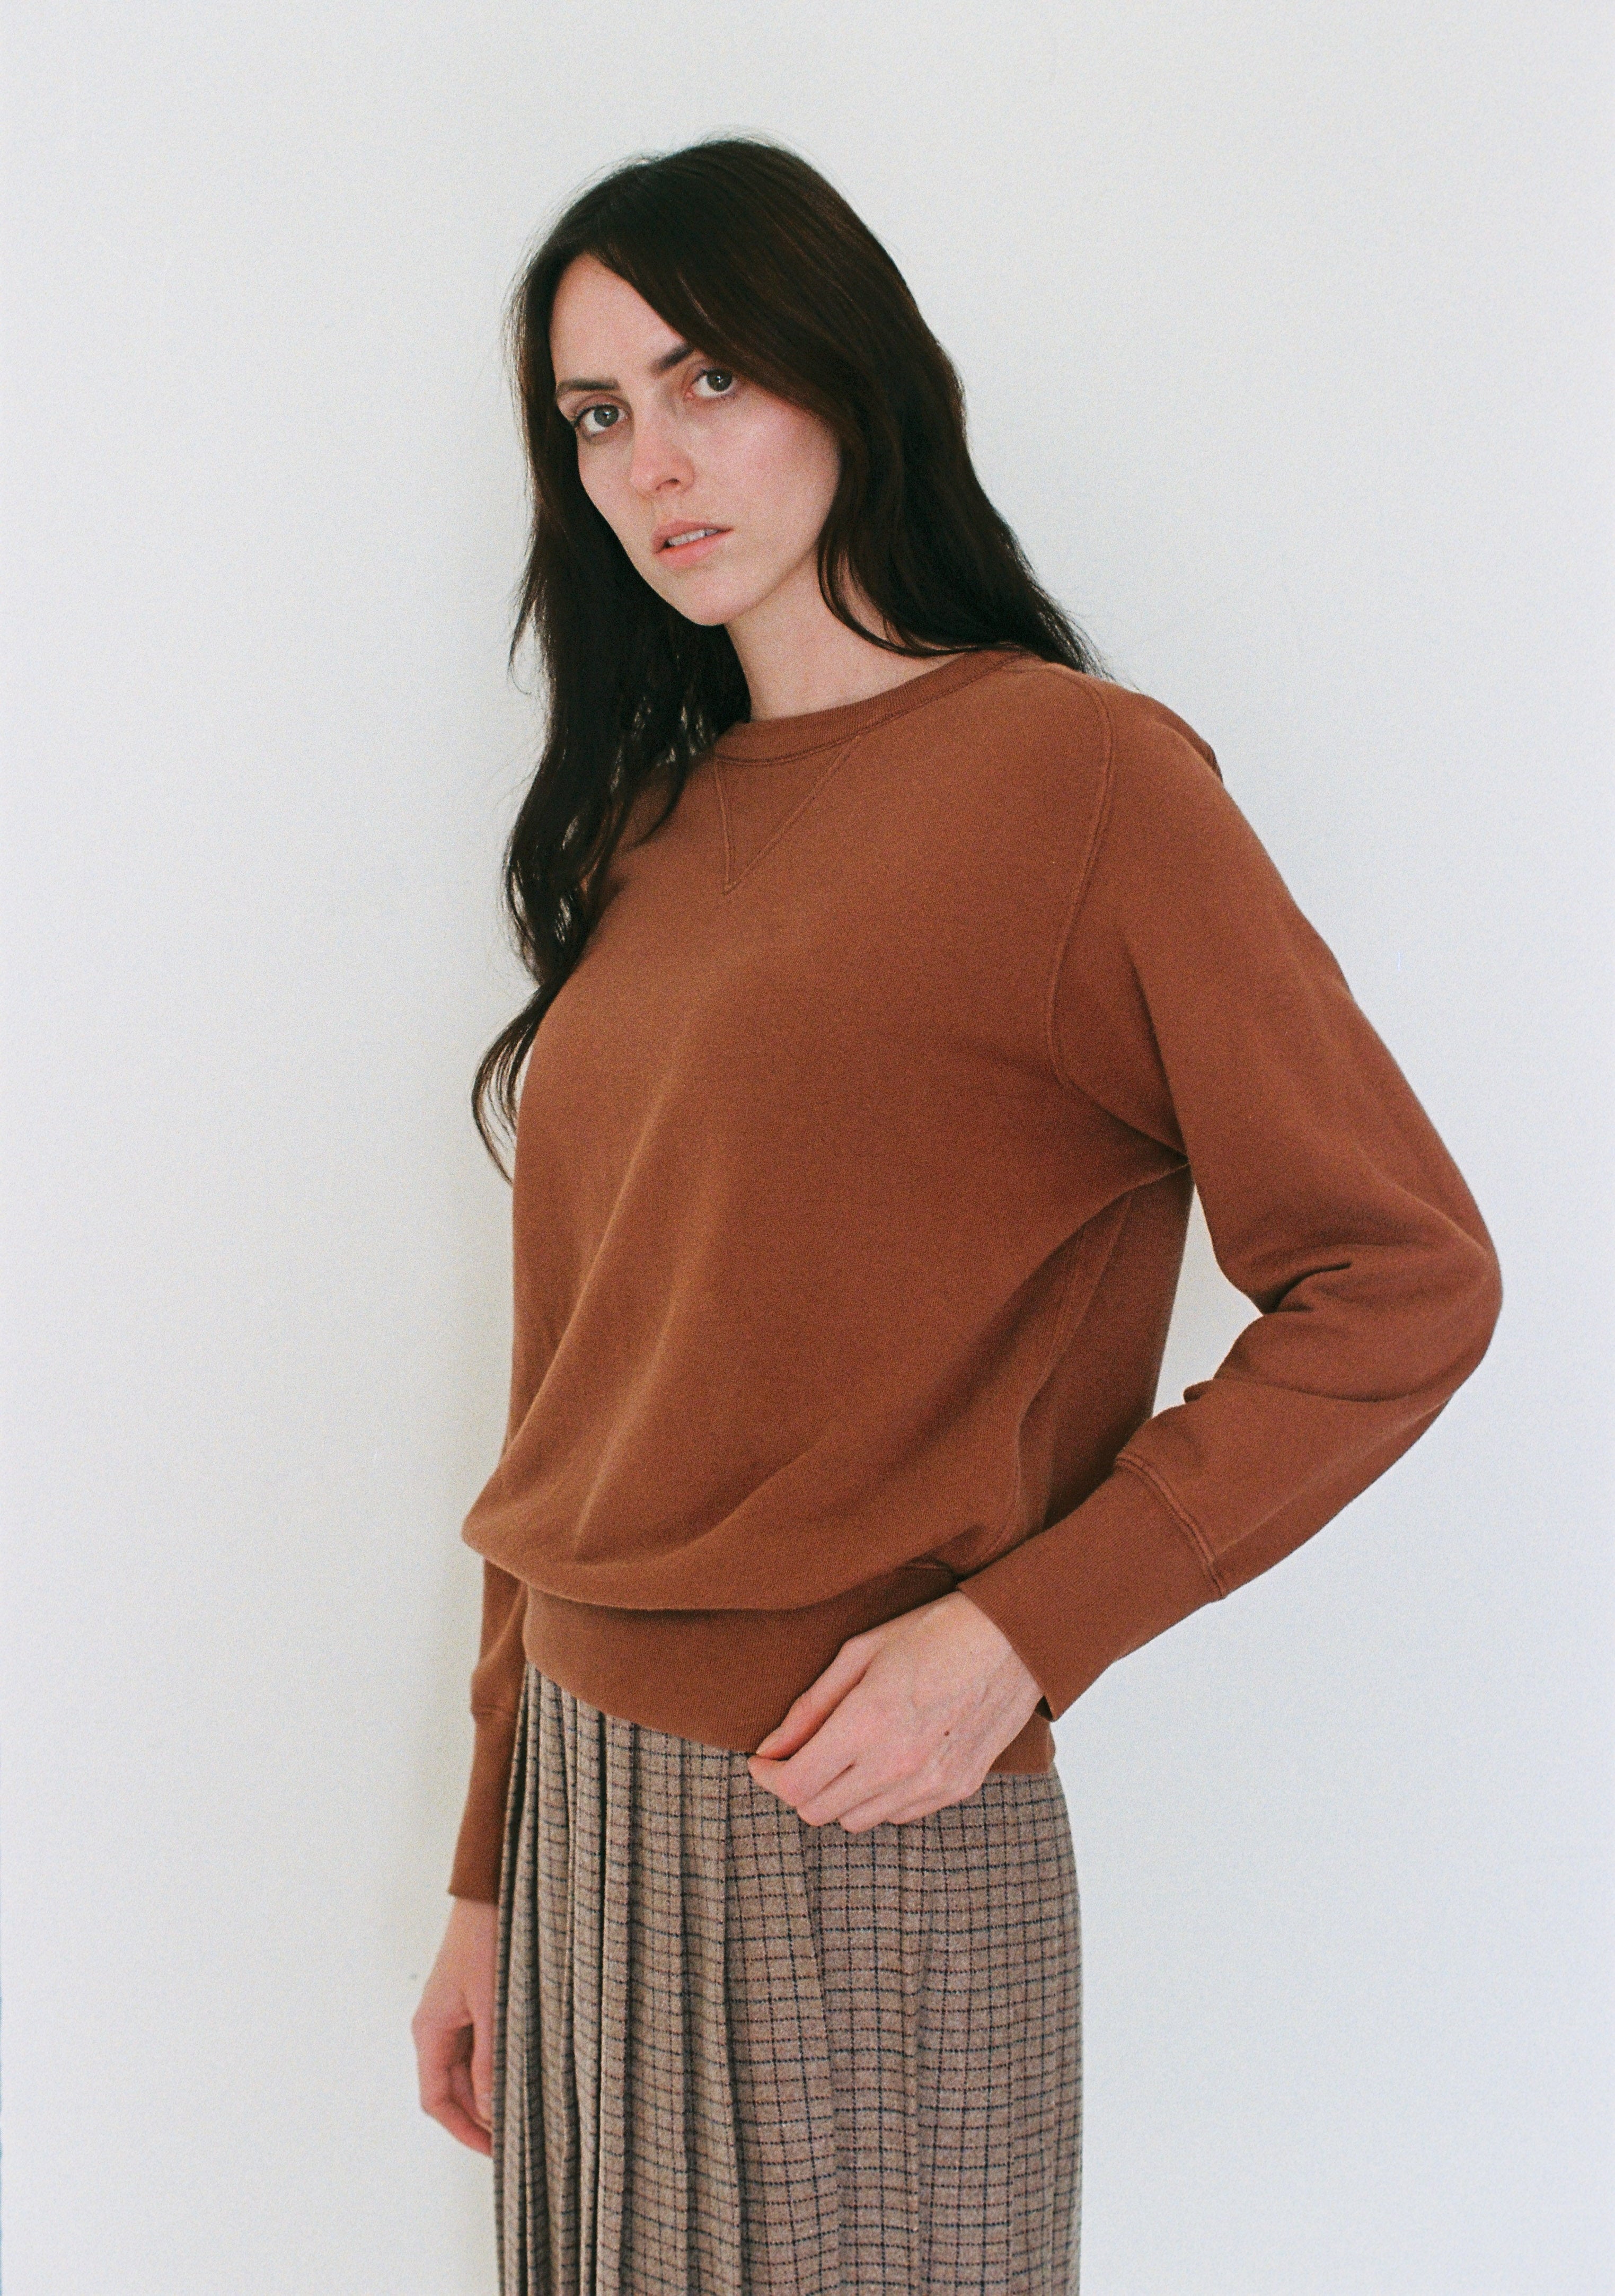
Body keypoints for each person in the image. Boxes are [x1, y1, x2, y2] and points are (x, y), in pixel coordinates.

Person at [410, 134, 1503, 2296]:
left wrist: (1022, 1635)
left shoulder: (1084, 786)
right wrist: (486, 1868)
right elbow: (577, 1387)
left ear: (853, 378)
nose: (656, 462)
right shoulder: (647, 824)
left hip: (860, 1819)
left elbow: (1404, 1278)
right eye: (599, 416)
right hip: (591, 1812)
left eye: (707, 379)